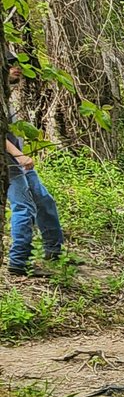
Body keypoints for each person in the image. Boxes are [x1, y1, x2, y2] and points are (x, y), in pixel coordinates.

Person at [5, 51, 65, 278]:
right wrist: (19, 156)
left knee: (44, 200)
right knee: (24, 207)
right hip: (9, 162)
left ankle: (54, 251)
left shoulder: (7, 97)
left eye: (18, 64)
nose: (17, 68)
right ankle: (19, 262)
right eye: (10, 65)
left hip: (17, 160)